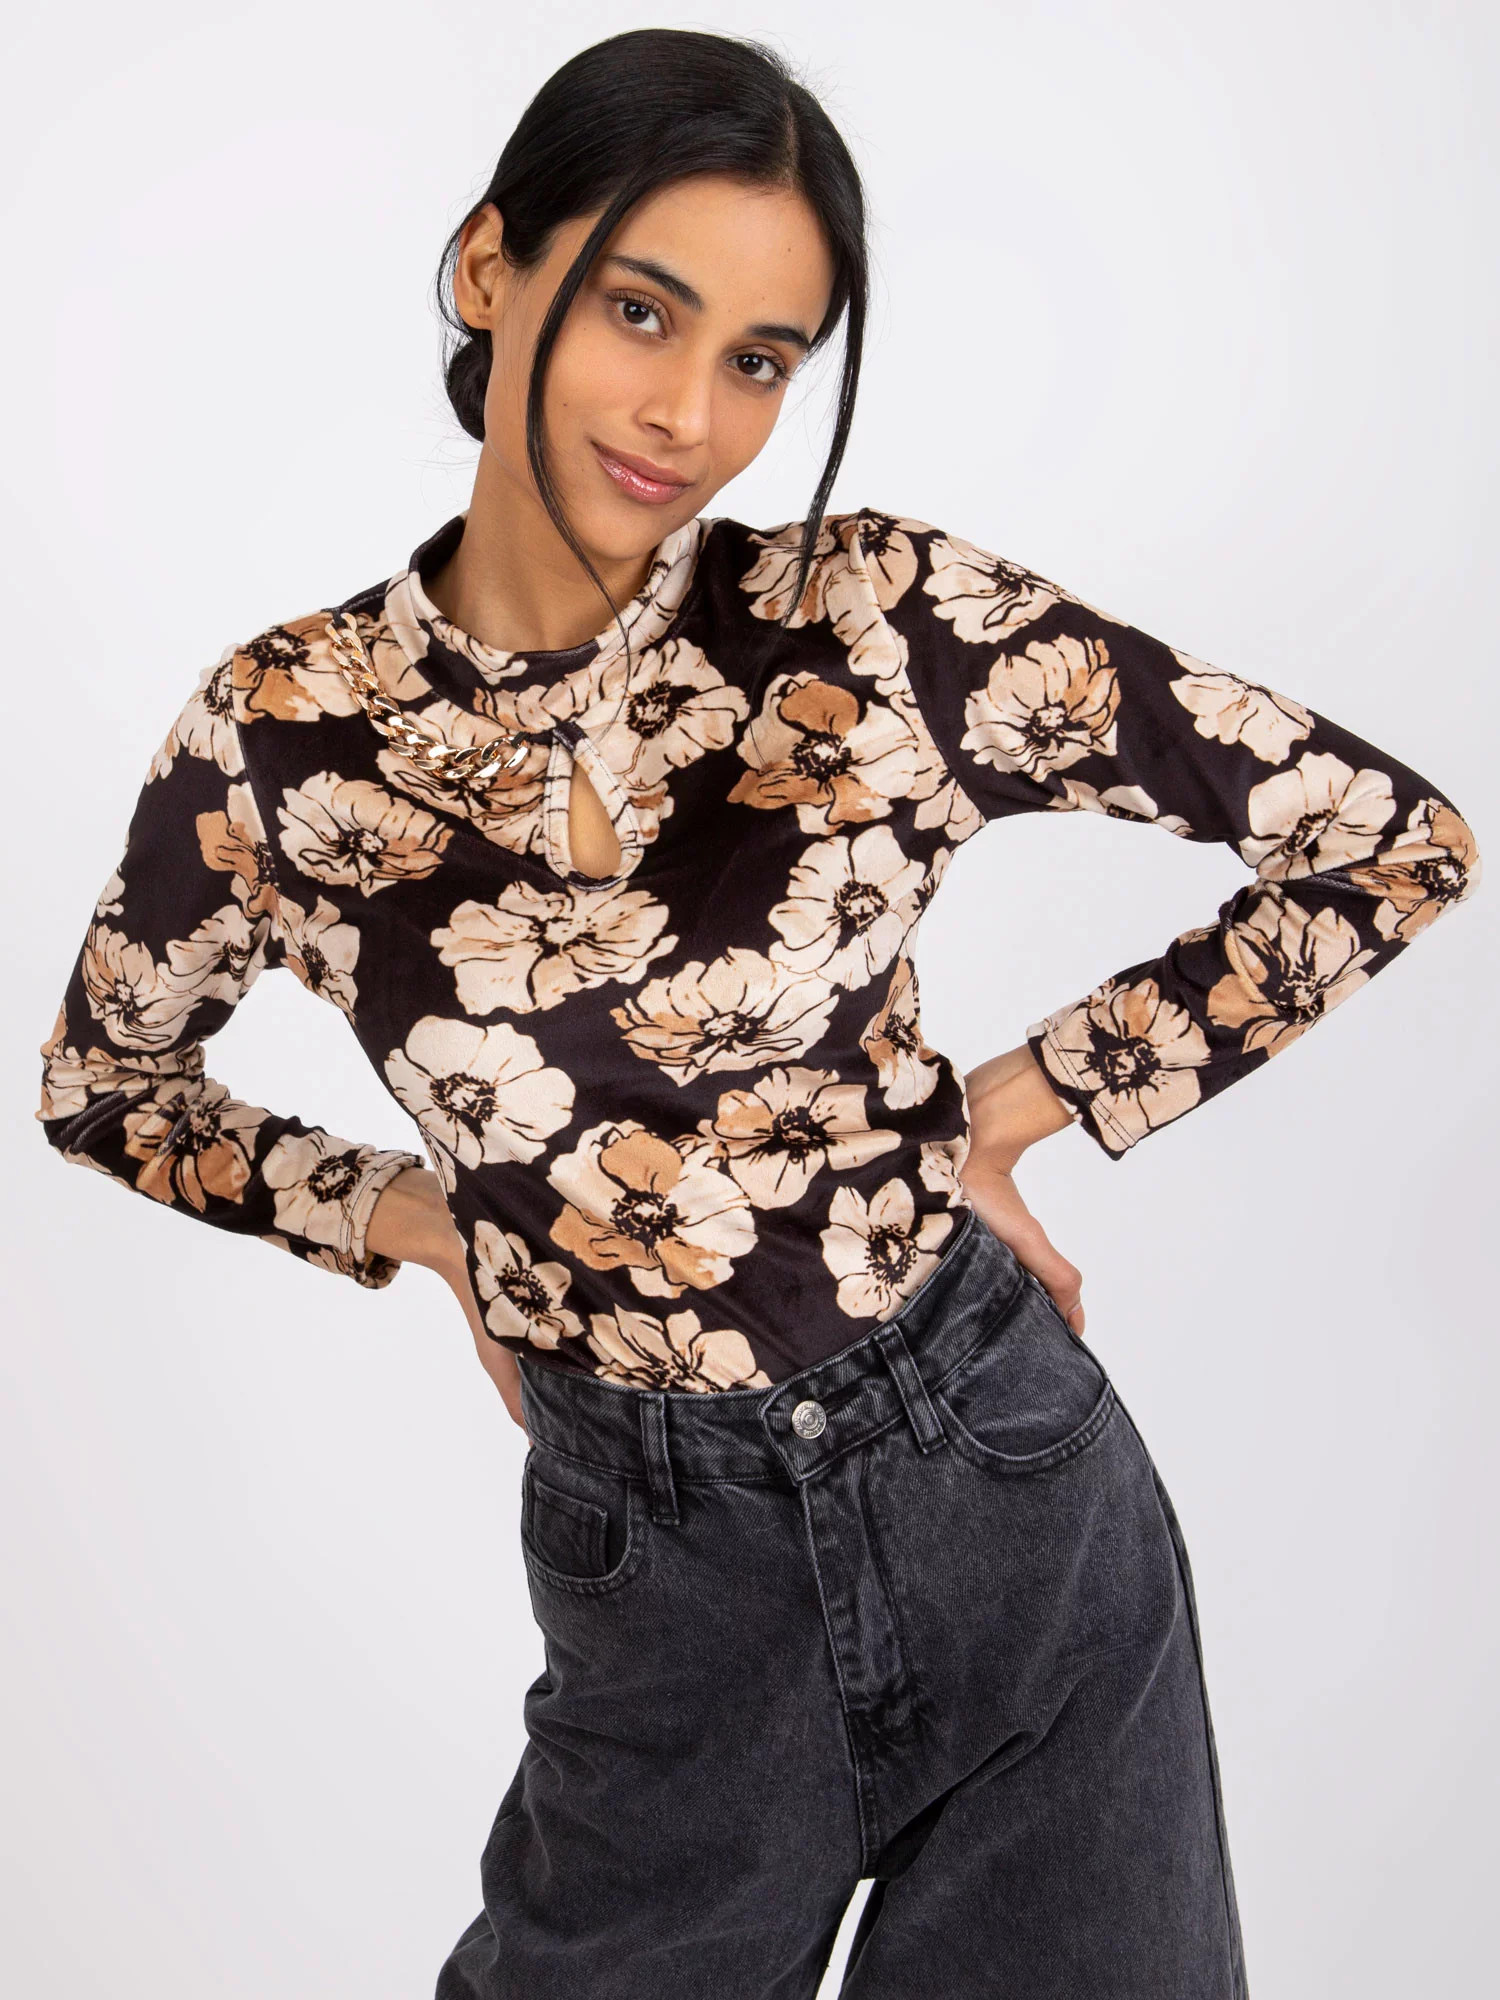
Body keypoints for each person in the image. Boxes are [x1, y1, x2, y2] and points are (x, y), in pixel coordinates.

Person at [36, 27, 1480, 2000]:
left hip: (1007, 1486)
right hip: (662, 1578)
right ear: (491, 269)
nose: (688, 413)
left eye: (761, 358)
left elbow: (1386, 843)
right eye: (642, 310)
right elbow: (107, 1086)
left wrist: (1012, 1108)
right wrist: (422, 1219)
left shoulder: (879, 617)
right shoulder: (283, 739)